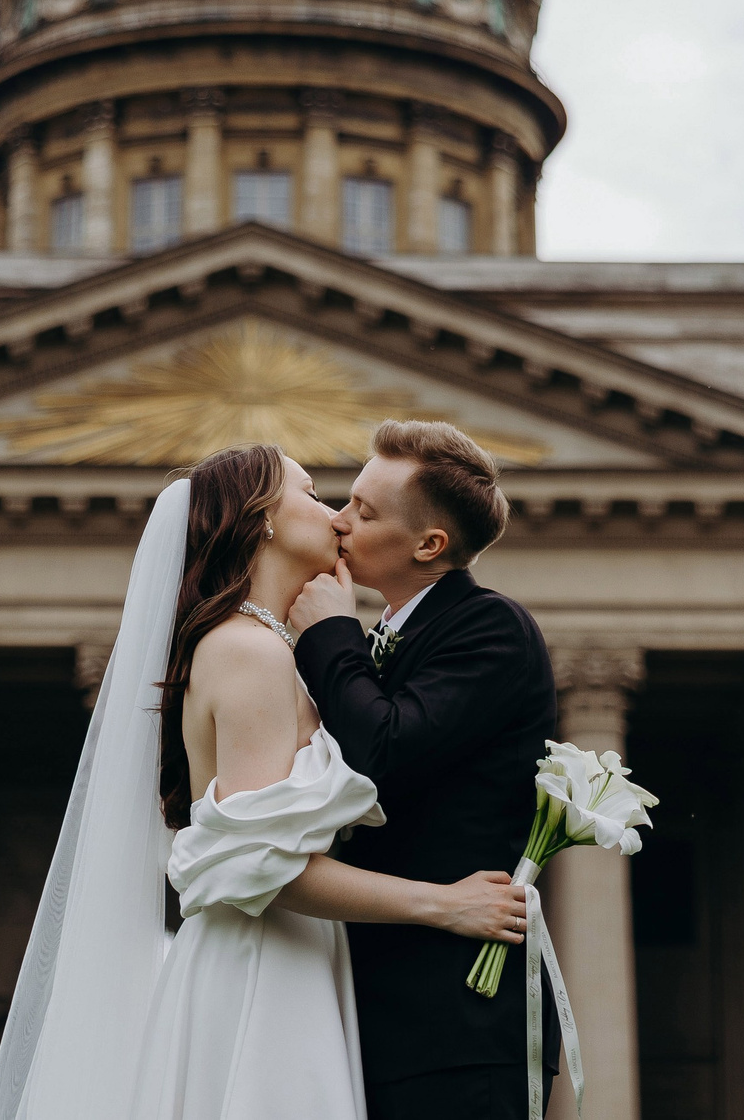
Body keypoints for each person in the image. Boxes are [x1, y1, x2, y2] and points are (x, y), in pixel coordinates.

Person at [0, 443, 528, 1120]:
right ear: (262, 519)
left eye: (354, 505)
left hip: (291, 953)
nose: (337, 517)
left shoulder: (272, 649)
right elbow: (262, 864)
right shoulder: (250, 651)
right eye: (315, 495)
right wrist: (440, 903)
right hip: (266, 964)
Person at [287, 419, 560, 1120]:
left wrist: (327, 632)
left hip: (456, 1022)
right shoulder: (389, 635)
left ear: (429, 544)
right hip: (377, 1005)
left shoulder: (489, 627)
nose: (338, 522)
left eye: (363, 510)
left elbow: (382, 754)